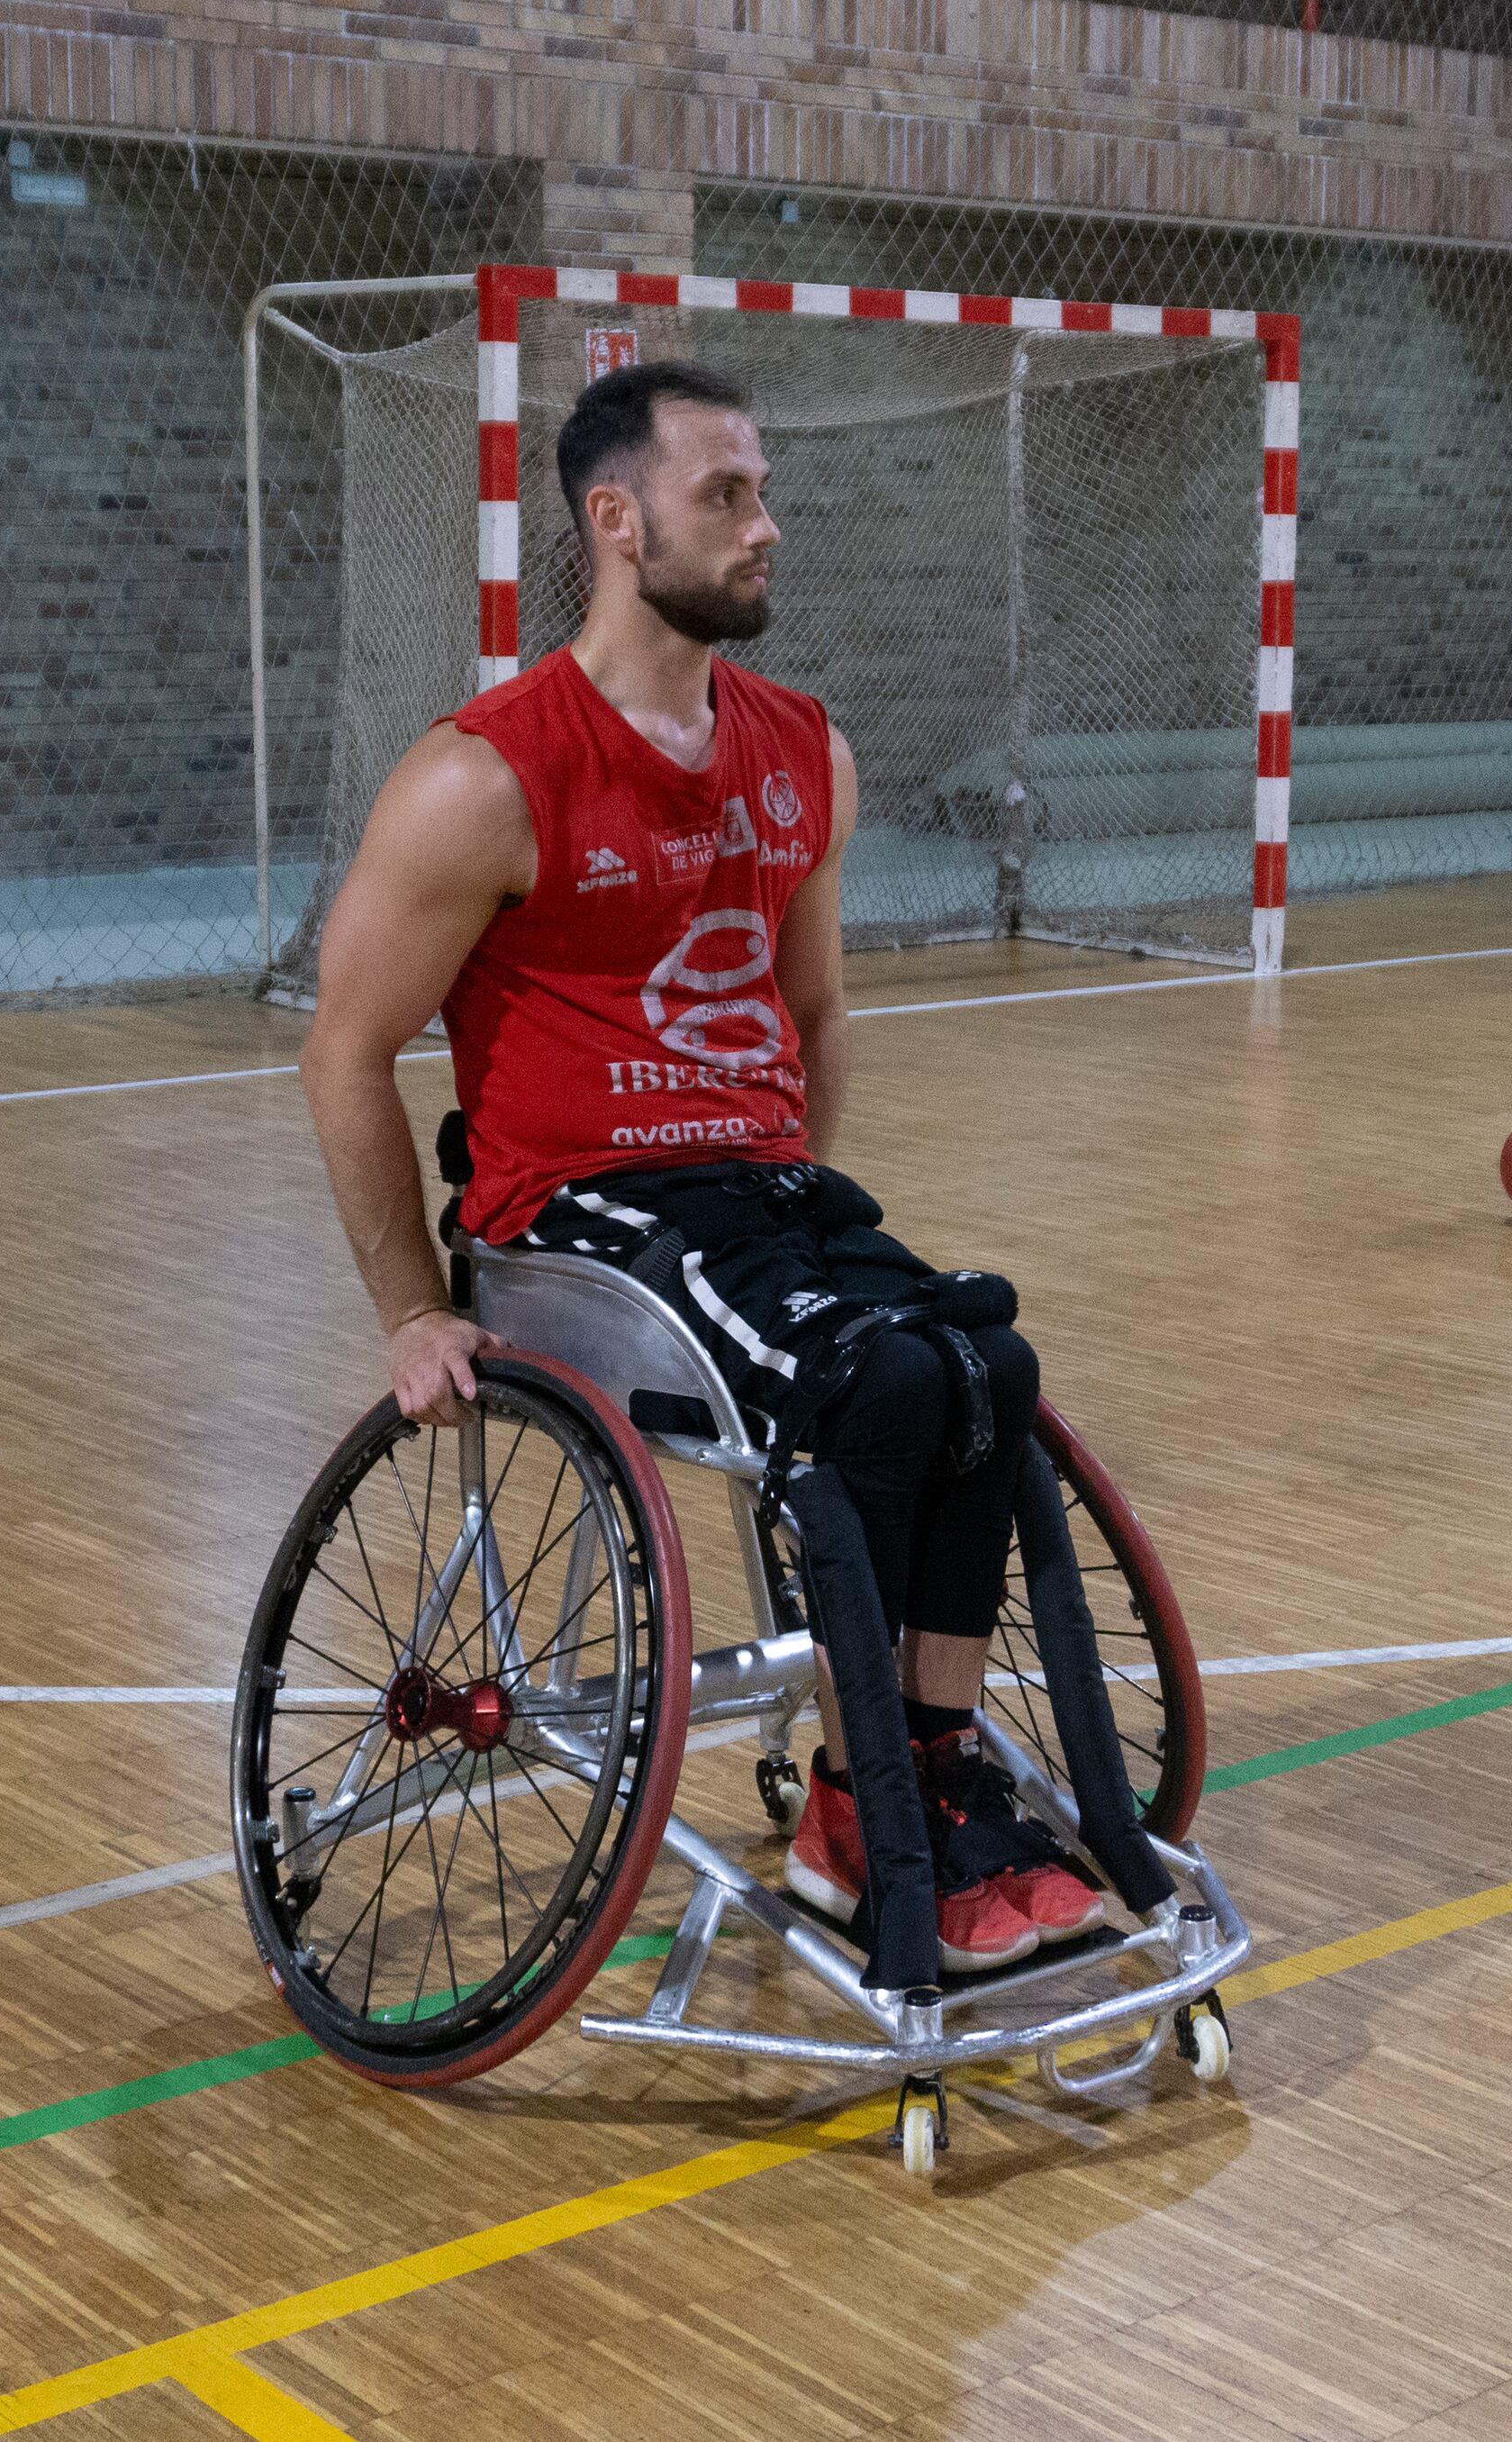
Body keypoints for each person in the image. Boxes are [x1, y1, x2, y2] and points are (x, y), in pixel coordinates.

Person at [297, 358, 1100, 1973]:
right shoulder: (484, 776)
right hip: (572, 1215)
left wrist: (794, 1222)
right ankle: (857, 1809)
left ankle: (920, 1782)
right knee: (870, 1390)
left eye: (762, 491)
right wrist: (409, 1307)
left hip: (751, 1199)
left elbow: (812, 1009)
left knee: (981, 1364)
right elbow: (343, 1049)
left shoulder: (807, 749)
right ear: (617, 520)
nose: (766, 528)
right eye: (726, 495)